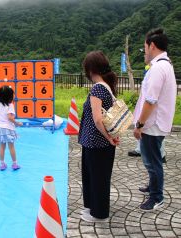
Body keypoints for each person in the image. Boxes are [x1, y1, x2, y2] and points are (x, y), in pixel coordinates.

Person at [133, 28, 177, 211]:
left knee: (153, 162)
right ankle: (153, 187)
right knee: (152, 159)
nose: (145, 53)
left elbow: (151, 101)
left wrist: (140, 125)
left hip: (152, 124)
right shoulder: (165, 65)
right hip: (156, 123)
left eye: (145, 48)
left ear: (152, 46)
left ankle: (157, 197)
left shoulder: (158, 68)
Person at [78, 51, 120, 222]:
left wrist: (108, 137)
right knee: (96, 176)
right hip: (98, 143)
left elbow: (97, 119)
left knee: (97, 178)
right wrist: (110, 137)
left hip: (96, 143)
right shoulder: (106, 86)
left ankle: (99, 213)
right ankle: (93, 207)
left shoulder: (97, 88)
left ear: (90, 69)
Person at [0, 85, 23, 171]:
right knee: (11, 147)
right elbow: (10, 117)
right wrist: (17, 123)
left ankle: (2, 164)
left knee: (2, 147)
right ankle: (14, 164)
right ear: (9, 96)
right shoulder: (10, 105)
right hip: (8, 129)